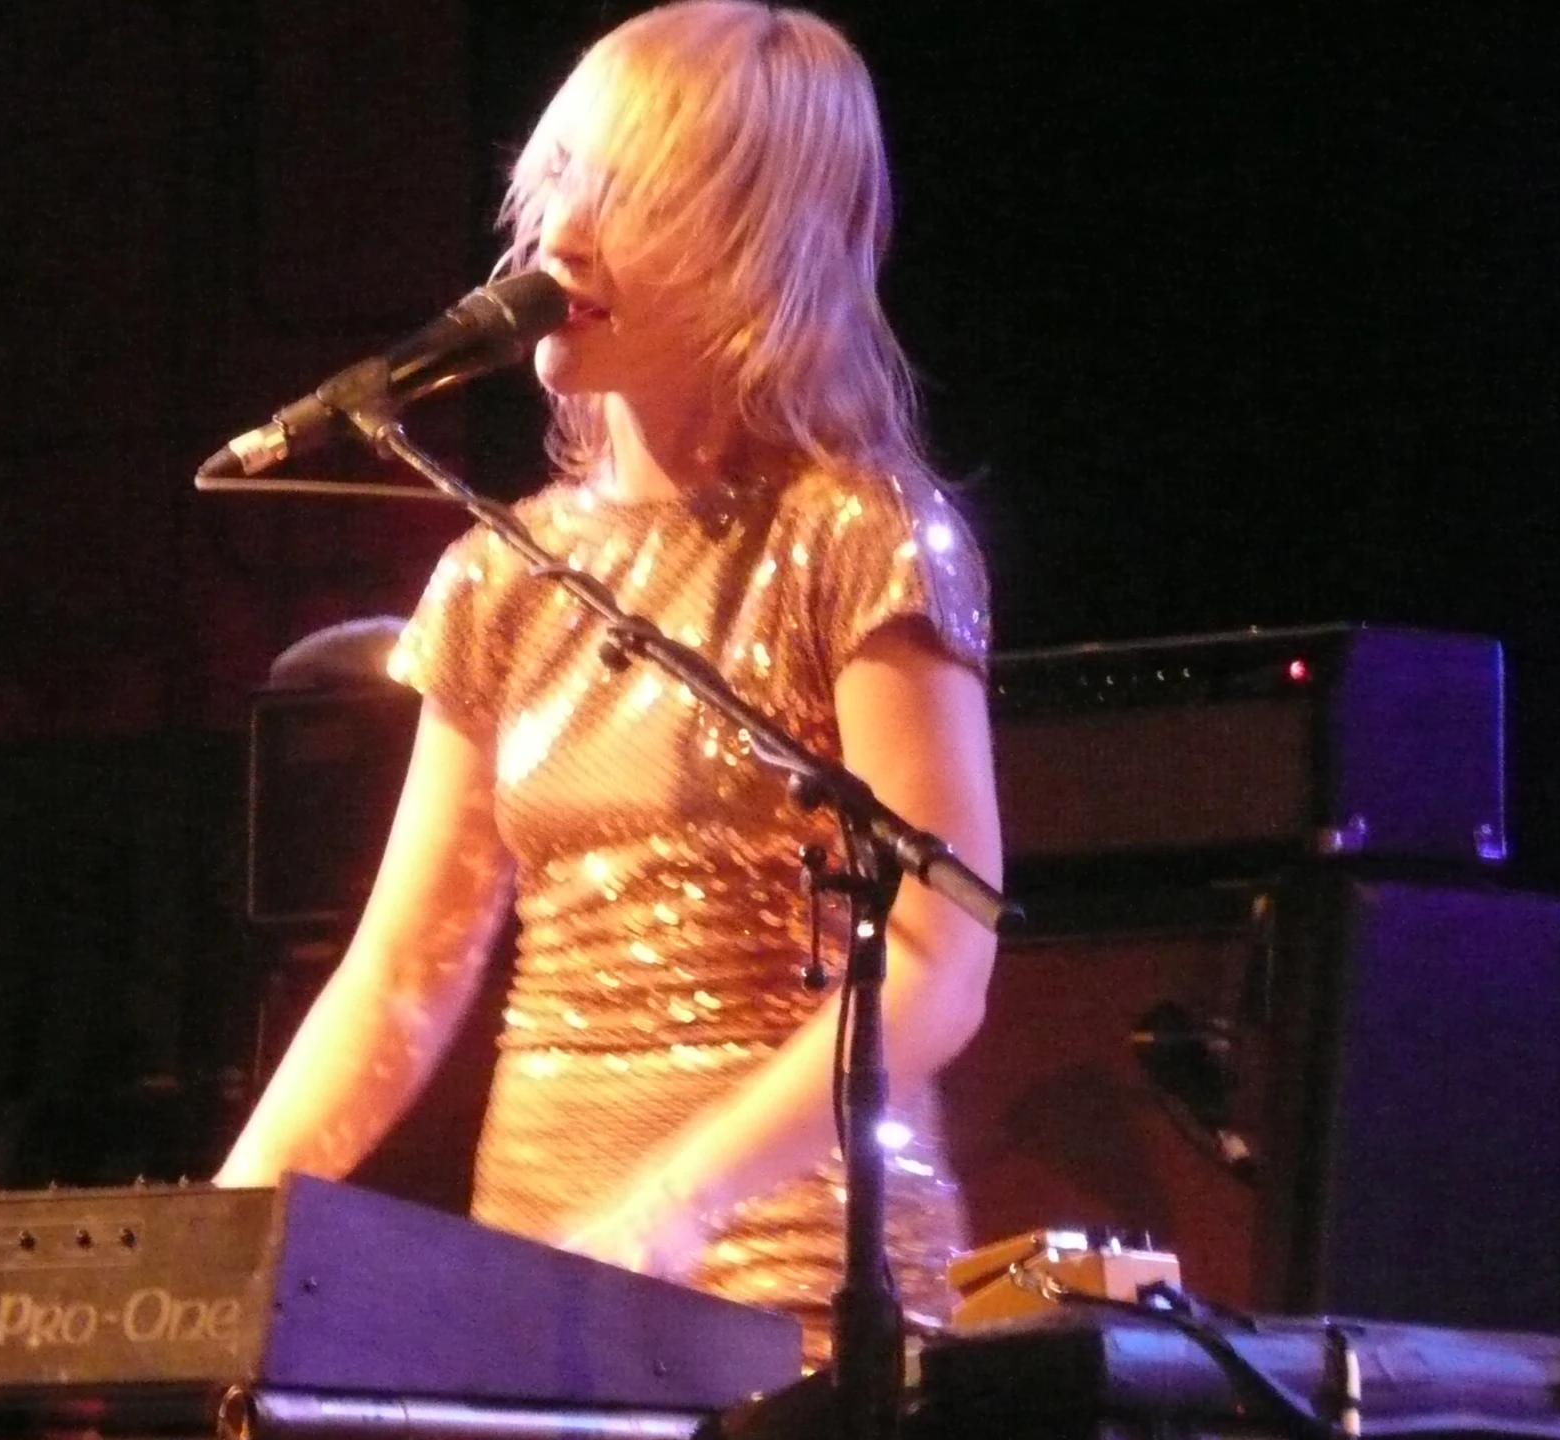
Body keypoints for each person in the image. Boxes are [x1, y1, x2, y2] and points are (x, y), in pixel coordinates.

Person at [215, 0, 1001, 1356]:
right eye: (565, 177)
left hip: (789, 1281)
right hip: (542, 1274)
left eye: (632, 195)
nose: (564, 233)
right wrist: (211, 1253)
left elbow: (944, 954)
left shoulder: (852, 536)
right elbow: (403, 972)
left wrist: (671, 1204)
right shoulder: (500, 573)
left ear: (759, 246)